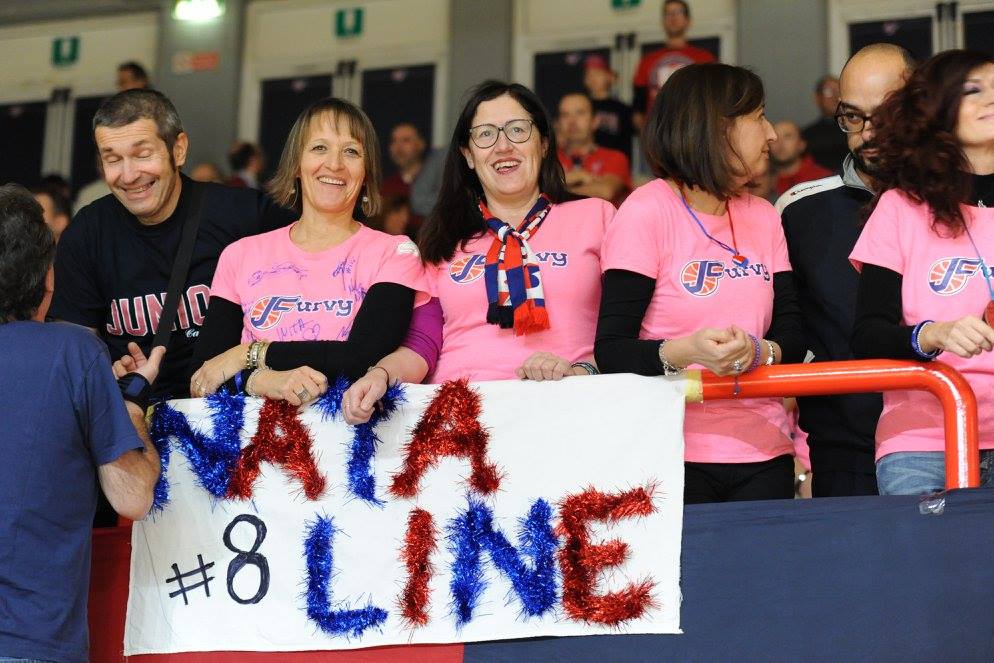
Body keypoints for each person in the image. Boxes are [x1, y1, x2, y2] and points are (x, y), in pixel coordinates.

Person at [340, 80, 614, 424]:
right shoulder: (443, 238)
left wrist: (582, 371)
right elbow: (423, 341)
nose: (503, 146)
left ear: (544, 143)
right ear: (468, 155)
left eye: (517, 130)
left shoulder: (597, 217)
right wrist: (380, 375)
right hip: (461, 419)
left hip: (568, 409)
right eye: (485, 135)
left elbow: (630, 332)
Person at [596, 63, 804, 504]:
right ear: (716, 129)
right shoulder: (646, 211)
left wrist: (759, 351)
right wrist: (687, 351)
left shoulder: (764, 215)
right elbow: (612, 350)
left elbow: (792, 328)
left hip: (765, 449)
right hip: (670, 450)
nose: (771, 134)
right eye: (759, 117)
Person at [0, 183, 161, 663]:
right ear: (48, 278)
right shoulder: (74, 351)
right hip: (33, 639)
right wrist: (132, 406)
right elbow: (132, 497)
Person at [50, 89, 295, 400]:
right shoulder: (87, 234)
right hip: (136, 413)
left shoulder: (243, 216)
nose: (129, 175)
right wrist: (104, 377)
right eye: (112, 159)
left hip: (236, 410)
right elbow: (72, 355)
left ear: (178, 150)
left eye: (142, 155)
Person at [188, 97, 429, 404]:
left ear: (366, 172)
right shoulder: (240, 255)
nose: (335, 164)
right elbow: (203, 377)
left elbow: (362, 359)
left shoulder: (394, 253)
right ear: (296, 165)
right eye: (319, 148)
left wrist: (246, 354)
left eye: (351, 151)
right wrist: (264, 381)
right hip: (251, 434)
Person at [850, 49, 994, 496]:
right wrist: (934, 334)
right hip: (923, 442)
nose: (991, 99)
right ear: (938, 109)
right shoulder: (900, 207)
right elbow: (867, 336)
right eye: (973, 90)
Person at [776, 43, 914, 498]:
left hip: (954, 437)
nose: (868, 133)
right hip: (843, 455)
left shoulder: (961, 201)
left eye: (886, 115)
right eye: (853, 117)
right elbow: (785, 329)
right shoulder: (800, 210)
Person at [632, 0, 716, 128]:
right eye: (668, 13)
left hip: (694, 130)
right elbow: (638, 108)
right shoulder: (647, 60)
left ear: (688, 20)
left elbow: (714, 101)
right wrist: (646, 134)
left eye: (678, 12)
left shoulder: (705, 59)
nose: (673, 17)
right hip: (658, 131)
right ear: (662, 22)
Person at [556, 91, 631, 205]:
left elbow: (605, 192)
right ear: (558, 123)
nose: (572, 121)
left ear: (595, 121)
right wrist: (578, 176)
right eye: (565, 115)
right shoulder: (548, 159)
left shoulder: (615, 157)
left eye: (580, 113)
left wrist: (556, 191)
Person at [583, 55, 635, 162]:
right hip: (588, 162)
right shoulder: (582, 107)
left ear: (610, 77)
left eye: (597, 73)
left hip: (615, 162)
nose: (593, 78)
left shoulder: (622, 109)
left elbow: (627, 141)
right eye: (589, 75)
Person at [381, 122, 428, 235]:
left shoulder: (438, 184)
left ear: (421, 144)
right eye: (394, 141)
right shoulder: (386, 188)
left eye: (406, 140)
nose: (398, 147)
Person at [801, 75, 849, 171]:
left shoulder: (855, 129)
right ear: (817, 98)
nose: (835, 96)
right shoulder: (806, 136)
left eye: (839, 91)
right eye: (829, 92)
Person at [770, 120, 831, 195]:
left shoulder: (823, 179)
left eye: (788, 136)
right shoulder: (764, 183)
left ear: (802, 144)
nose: (780, 143)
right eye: (774, 138)